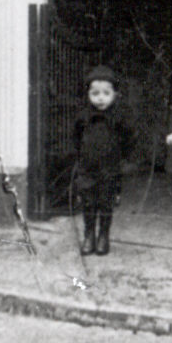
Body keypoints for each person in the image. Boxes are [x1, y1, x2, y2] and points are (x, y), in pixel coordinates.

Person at [73, 65, 136, 256]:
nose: (100, 98)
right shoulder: (83, 116)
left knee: (106, 203)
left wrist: (124, 160)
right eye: (95, 93)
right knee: (88, 202)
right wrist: (80, 158)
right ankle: (89, 235)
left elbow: (129, 139)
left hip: (110, 168)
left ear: (115, 94)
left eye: (106, 93)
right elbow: (76, 138)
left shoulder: (119, 117)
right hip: (87, 168)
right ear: (88, 94)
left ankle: (103, 236)